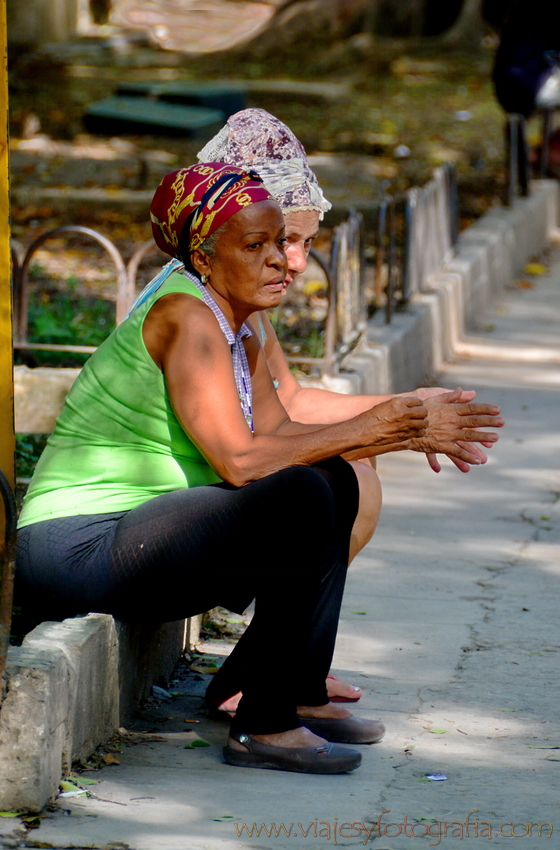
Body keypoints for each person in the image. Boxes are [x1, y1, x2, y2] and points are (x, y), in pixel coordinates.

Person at [18, 162, 480, 774]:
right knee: (299, 494)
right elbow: (240, 462)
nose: (280, 261)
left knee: (332, 479)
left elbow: (281, 433)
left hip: (139, 537)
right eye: (255, 245)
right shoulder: (187, 317)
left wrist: (400, 426)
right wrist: (379, 425)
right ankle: (264, 727)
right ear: (204, 259)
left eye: (280, 243)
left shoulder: (237, 324)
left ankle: (292, 687)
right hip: (77, 546)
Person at [197, 108, 505, 713]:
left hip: (214, 479)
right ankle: (270, 682)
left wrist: (408, 410)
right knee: (337, 479)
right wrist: (394, 427)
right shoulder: (195, 303)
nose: (296, 262)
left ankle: (277, 668)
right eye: (282, 239)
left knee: (352, 471)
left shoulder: (239, 297)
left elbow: (289, 401)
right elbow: (253, 439)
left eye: (305, 242)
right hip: (165, 505)